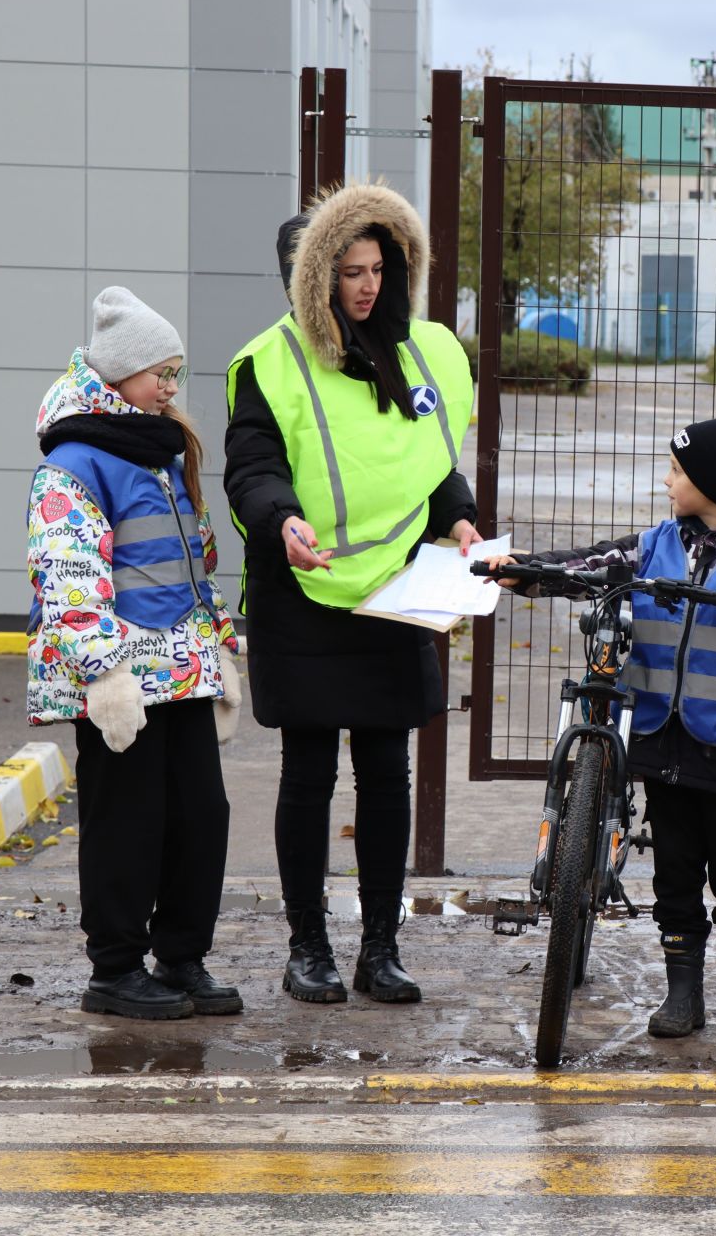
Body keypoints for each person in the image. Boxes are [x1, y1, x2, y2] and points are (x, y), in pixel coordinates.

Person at [487, 411, 716, 1041]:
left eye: (677, 471)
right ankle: (682, 994)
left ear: (714, 481)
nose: (667, 481)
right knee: (674, 868)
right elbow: (592, 565)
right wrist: (528, 572)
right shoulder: (655, 545)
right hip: (663, 739)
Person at [224, 182, 478, 1007]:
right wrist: (281, 521)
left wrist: (463, 521)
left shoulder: (419, 351)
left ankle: (380, 948)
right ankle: (308, 949)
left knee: (385, 769)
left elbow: (426, 460)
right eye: (349, 273)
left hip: (394, 586)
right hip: (303, 586)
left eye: (378, 268)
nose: (367, 286)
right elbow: (253, 466)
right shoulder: (268, 362)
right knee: (307, 773)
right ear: (313, 281)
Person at [28, 287, 242, 1021]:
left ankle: (182, 957)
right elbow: (69, 574)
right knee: (128, 820)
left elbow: (194, 564)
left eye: (176, 371)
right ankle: (115, 969)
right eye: (162, 371)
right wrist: (103, 674)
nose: (172, 386)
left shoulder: (156, 449)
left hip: (180, 668)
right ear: (119, 374)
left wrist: (217, 653)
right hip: (121, 677)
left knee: (199, 815)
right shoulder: (76, 462)